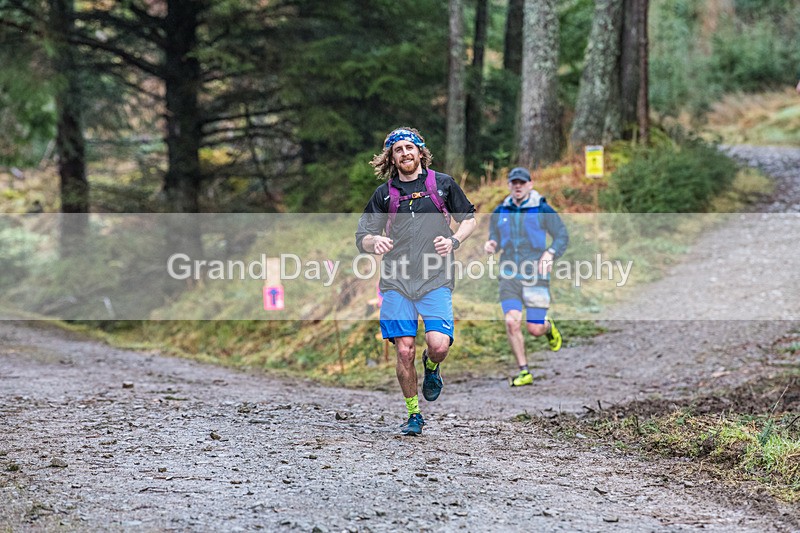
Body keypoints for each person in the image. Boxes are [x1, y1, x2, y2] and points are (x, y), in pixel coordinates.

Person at [356, 127, 476, 435]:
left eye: (410, 147)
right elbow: (362, 236)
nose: (405, 153)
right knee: (404, 350)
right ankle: (413, 415)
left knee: (437, 346)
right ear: (392, 158)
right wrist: (374, 243)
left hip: (435, 278)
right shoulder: (385, 194)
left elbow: (469, 218)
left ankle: (432, 367)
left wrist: (454, 241)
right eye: (398, 150)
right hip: (396, 282)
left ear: (420, 152)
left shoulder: (443, 185)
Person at [484, 167, 569, 387]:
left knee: (534, 328)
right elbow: (495, 237)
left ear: (530, 184)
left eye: (522, 182)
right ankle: (524, 371)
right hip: (509, 273)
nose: (518, 186)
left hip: (535, 274)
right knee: (512, 322)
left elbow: (562, 236)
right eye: (514, 183)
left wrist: (550, 254)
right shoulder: (500, 211)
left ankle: (547, 328)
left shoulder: (542, 209)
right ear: (509, 185)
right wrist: (492, 244)